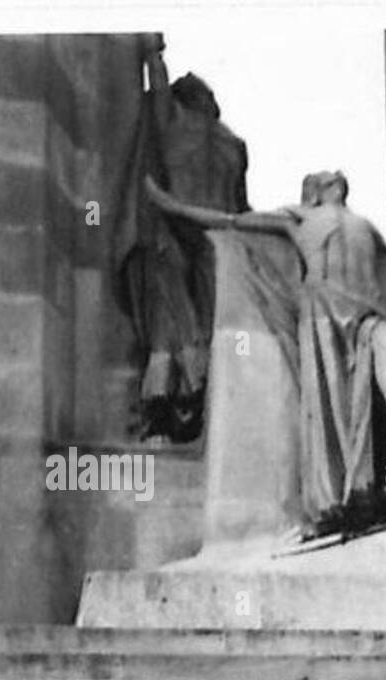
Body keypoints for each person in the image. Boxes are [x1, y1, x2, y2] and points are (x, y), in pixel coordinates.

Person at [144, 169, 386, 527]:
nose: (335, 175)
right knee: (332, 404)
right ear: (314, 193)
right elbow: (232, 221)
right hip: (323, 308)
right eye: (324, 177)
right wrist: (173, 207)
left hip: (369, 312)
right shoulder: (297, 216)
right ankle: (341, 497)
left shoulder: (365, 225)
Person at [115, 34, 249, 443]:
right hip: (218, 236)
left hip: (175, 225)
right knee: (207, 326)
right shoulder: (234, 146)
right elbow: (241, 207)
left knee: (169, 327)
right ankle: (196, 402)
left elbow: (156, 80)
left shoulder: (173, 119)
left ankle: (172, 402)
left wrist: (150, 46)